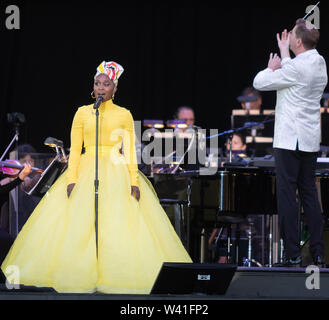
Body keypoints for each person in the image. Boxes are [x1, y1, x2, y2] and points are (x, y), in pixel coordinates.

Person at [1, 61, 192, 294]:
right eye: (97, 83)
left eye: (106, 84)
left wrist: (133, 181)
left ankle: (117, 275)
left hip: (116, 170)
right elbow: (76, 147)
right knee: (78, 224)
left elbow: (129, 151)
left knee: (117, 224)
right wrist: (72, 179)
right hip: (85, 168)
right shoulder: (83, 112)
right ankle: (78, 274)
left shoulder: (124, 114)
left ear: (115, 88)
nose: (101, 88)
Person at [253, 19, 328, 267]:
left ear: (298, 41)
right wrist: (285, 54)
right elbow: (294, 71)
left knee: (287, 196)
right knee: (309, 195)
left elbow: (259, 83)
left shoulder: (293, 69)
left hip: (289, 141)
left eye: (292, 37)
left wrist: (272, 67)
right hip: (308, 140)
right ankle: (317, 252)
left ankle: (292, 253)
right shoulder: (319, 62)